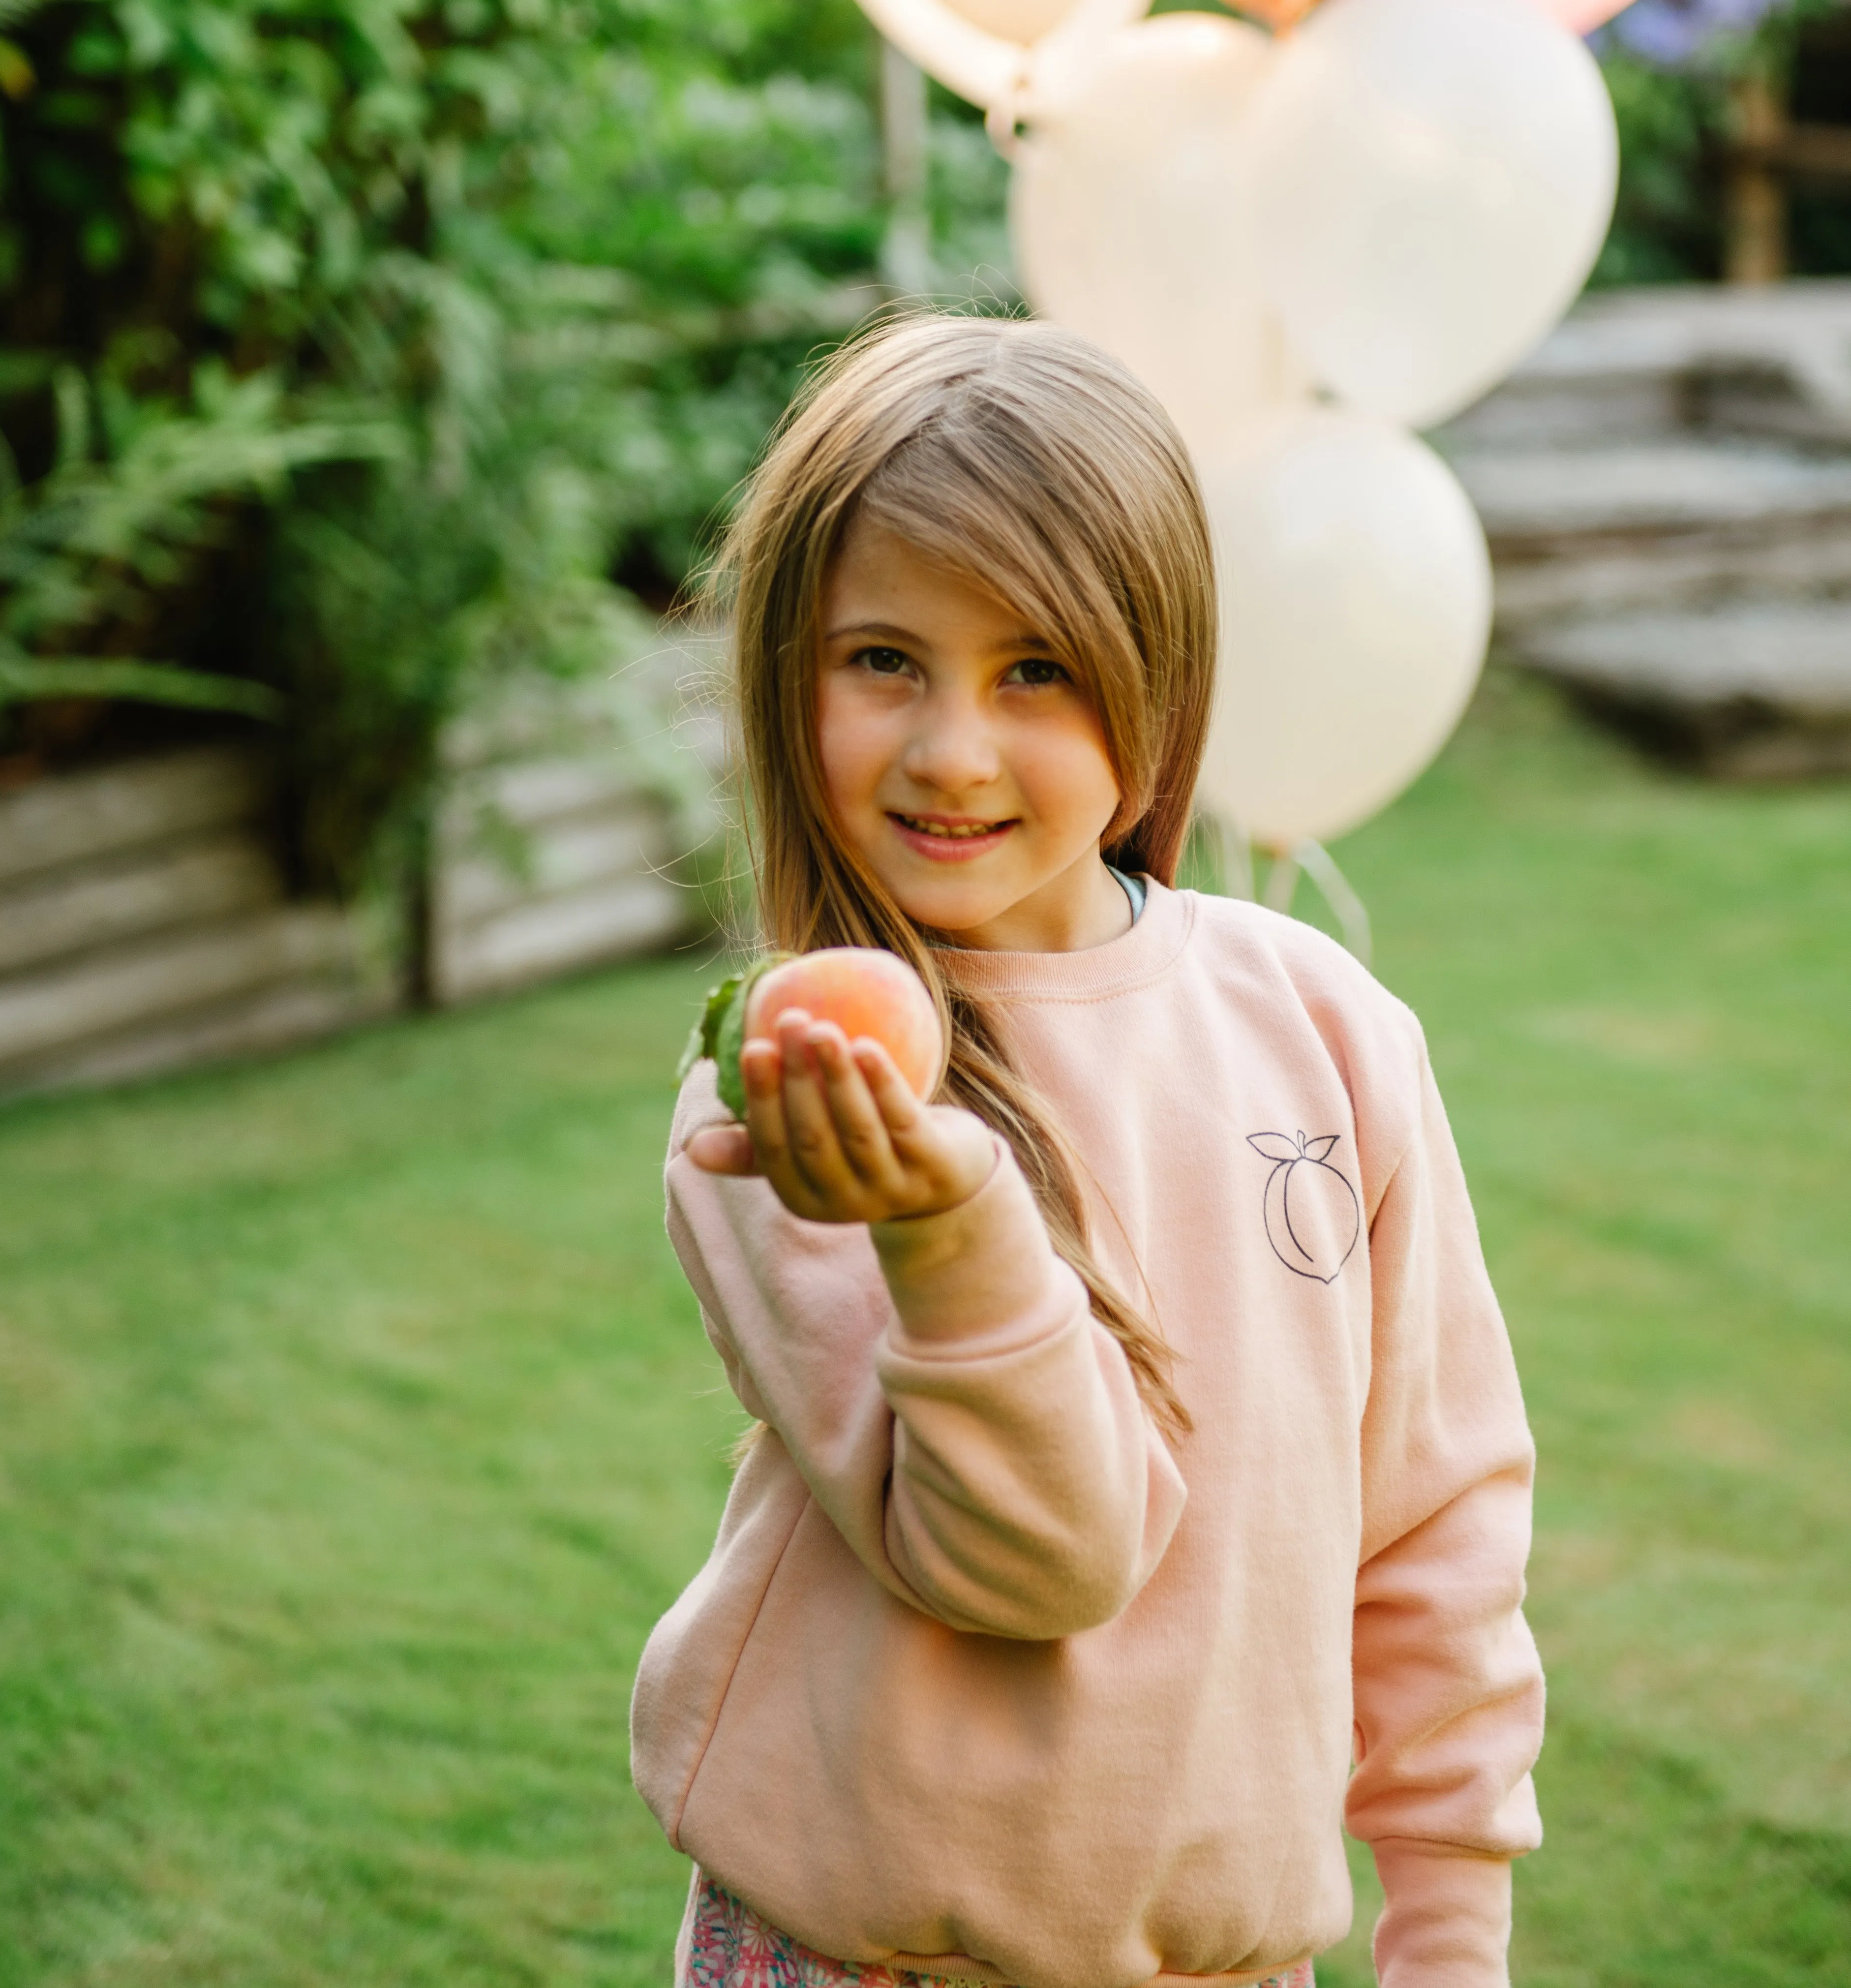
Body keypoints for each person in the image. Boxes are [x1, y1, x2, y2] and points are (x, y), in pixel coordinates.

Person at [633, 314, 1543, 1988]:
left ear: (1158, 678)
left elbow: (1436, 1516)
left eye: (1033, 667)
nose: (952, 750)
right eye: (883, 660)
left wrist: (1451, 1925)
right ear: (788, 676)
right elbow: (1036, 1559)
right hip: (866, 1953)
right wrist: (949, 1215)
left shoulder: (1328, 1028)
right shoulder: (789, 1099)